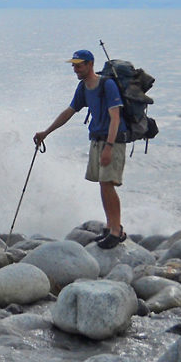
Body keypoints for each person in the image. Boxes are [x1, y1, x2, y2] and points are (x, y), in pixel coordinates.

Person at [33, 49, 128, 249]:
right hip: (96, 139)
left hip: (113, 140)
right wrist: (46, 132)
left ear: (90, 64)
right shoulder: (83, 87)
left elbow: (115, 117)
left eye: (79, 65)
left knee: (107, 183)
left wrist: (109, 147)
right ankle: (111, 226)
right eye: (73, 65)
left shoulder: (107, 85)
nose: (75, 69)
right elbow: (69, 112)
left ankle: (116, 231)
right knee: (103, 184)